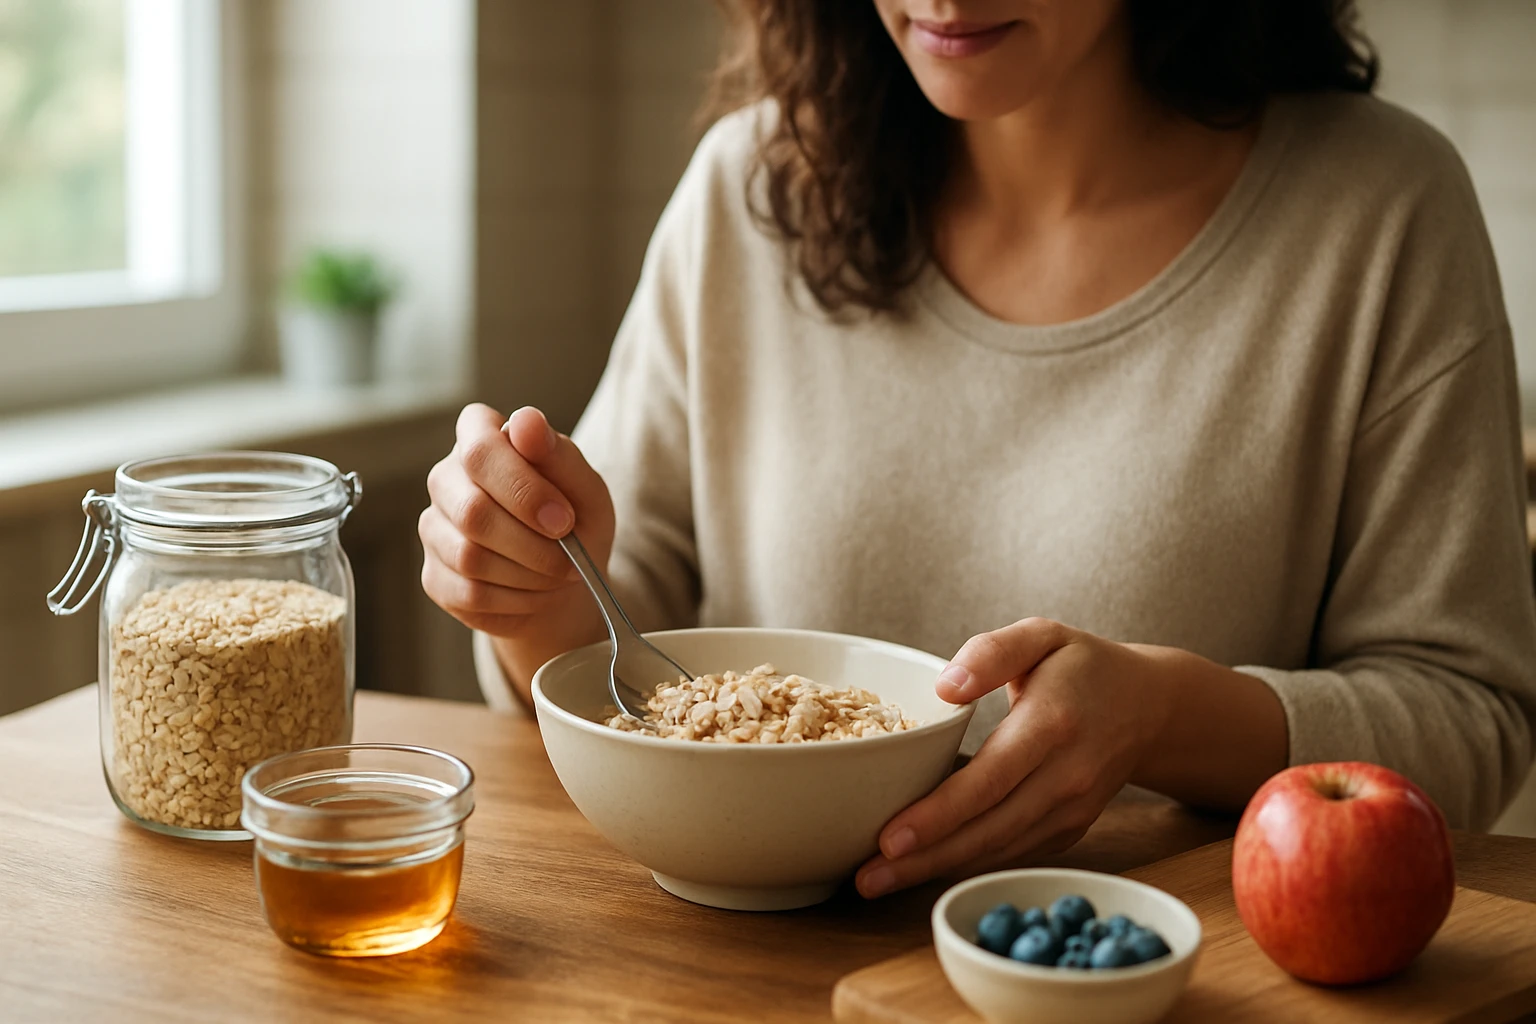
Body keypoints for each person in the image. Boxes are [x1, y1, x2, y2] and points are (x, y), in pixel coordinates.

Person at [419, 0, 1536, 898]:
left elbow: (1468, 720)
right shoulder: (748, 189)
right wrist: (527, 590)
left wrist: (1163, 714)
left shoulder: (1381, 210)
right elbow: (620, 648)